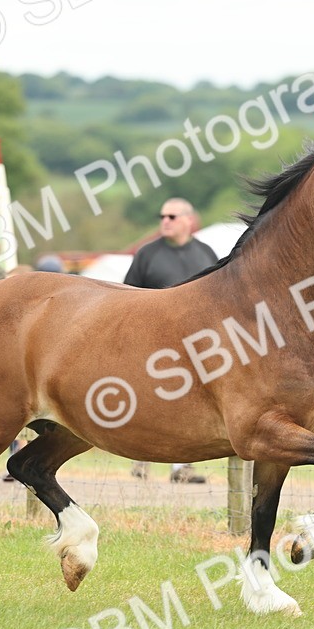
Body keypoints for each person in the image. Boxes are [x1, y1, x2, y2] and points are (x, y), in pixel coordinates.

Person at [124, 198, 218, 484]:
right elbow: (126, 295)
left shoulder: (206, 253)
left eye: (172, 216)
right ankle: (140, 458)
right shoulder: (146, 254)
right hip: (151, 341)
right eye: (162, 215)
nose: (164, 220)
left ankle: (182, 467)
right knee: (146, 400)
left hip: (194, 344)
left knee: (188, 404)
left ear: (189, 221)